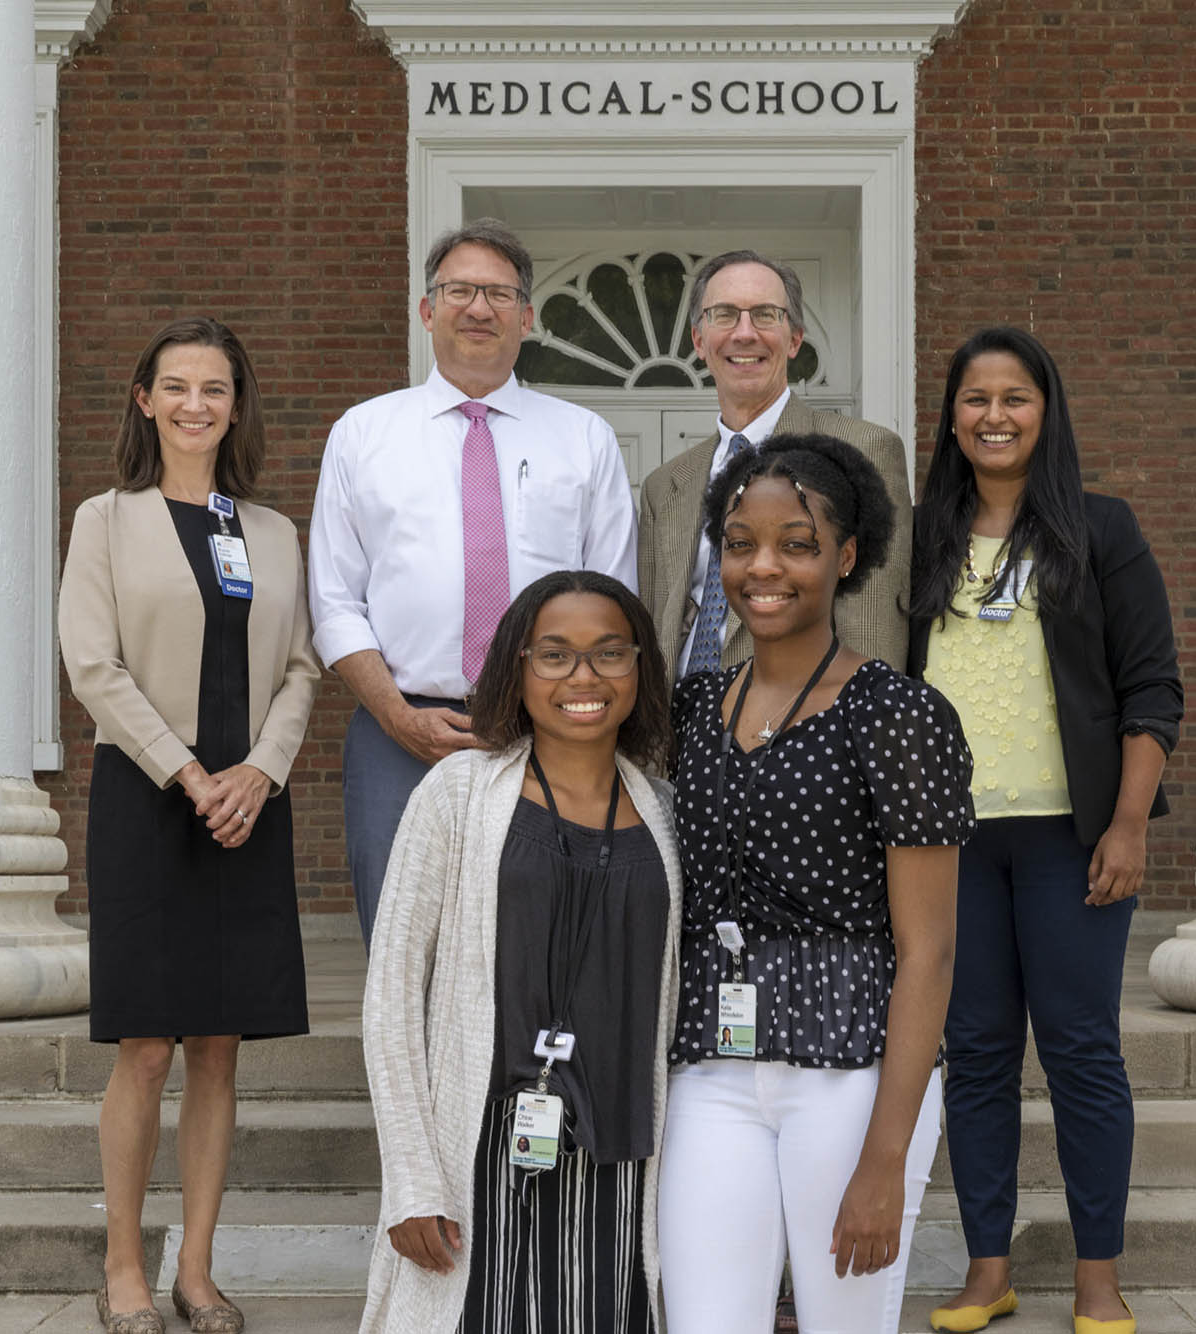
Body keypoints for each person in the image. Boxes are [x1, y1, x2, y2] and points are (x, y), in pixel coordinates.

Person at [658, 433, 974, 1333]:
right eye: (739, 541)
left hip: (851, 1073)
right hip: (709, 1071)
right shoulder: (689, 712)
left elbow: (931, 951)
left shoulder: (899, 715)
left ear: (845, 556)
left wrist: (886, 1157)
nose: (764, 567)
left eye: (796, 543)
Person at [910, 328, 1182, 1334]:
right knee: (974, 1051)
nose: (992, 414)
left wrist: (1126, 825)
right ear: (950, 416)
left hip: (1069, 838)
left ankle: (1097, 1276)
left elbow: (1150, 689)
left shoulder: (1099, 530)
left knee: (1078, 1052)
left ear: (1044, 410)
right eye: (974, 397)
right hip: (951, 843)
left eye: (1013, 397)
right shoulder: (920, 535)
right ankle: (988, 1268)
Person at [59, 317, 320, 1334]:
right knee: (148, 1046)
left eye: (215, 388)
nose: (195, 404)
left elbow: (300, 667)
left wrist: (258, 769)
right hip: (147, 797)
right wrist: (188, 772)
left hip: (250, 805)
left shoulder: (270, 531)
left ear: (236, 404)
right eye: (176, 386)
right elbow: (92, 666)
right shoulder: (105, 519)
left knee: (219, 1046)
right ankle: (124, 1265)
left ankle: (196, 1270)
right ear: (144, 399)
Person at [359, 570, 680, 1334]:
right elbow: (393, 990)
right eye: (555, 655)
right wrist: (412, 1180)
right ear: (518, 666)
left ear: (639, 669)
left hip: (621, 1162)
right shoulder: (457, 793)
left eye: (610, 653)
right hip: (483, 1155)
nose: (584, 677)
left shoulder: (663, 809)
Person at [309, 218, 639, 948]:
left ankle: (532, 1072)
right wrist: (398, 716)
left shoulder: (583, 438)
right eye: (459, 290)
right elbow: (335, 602)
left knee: (543, 940)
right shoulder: (362, 435)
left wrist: (556, 716)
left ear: (527, 316)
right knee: (403, 945)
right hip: (401, 732)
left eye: (498, 293)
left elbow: (616, 605)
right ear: (428, 311)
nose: (478, 308)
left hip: (550, 727)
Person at [638, 250, 914, 681]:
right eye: (724, 315)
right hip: (682, 732)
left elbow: (871, 633)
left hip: (801, 731)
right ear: (698, 340)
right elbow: (659, 631)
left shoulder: (863, 451)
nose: (744, 334)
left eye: (765, 315)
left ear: (795, 338)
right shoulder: (665, 485)